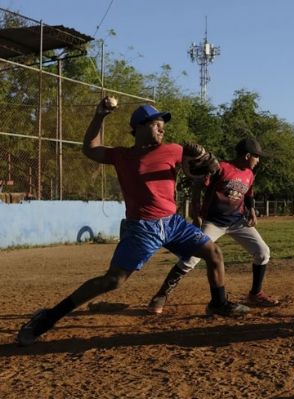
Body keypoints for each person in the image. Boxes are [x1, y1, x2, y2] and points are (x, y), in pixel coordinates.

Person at [16, 99, 249, 346]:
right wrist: (99, 116)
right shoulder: (122, 155)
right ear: (139, 127)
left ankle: (218, 303)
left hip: (172, 223)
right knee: (113, 280)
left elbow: (205, 167)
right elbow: (90, 148)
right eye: (157, 124)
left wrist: (206, 161)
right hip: (142, 228)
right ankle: (47, 317)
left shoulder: (173, 149)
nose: (162, 129)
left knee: (213, 253)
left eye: (163, 125)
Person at [147, 137, 278, 314]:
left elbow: (248, 194)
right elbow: (198, 185)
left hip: (238, 222)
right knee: (191, 259)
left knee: (263, 252)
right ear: (247, 155)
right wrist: (195, 210)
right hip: (214, 222)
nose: (258, 160)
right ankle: (160, 296)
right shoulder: (221, 168)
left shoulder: (249, 173)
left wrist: (252, 210)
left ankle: (255, 294)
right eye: (257, 156)